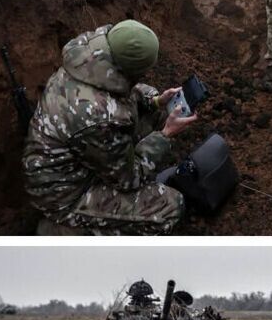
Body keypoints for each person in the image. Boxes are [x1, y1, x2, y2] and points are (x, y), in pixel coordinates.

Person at [22, 21, 194, 235]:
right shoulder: (100, 117)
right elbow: (129, 179)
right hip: (64, 194)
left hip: (71, 160)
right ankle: (66, 232)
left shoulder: (88, 58)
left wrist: (156, 101)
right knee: (170, 207)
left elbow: (121, 92)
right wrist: (165, 135)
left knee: (155, 112)